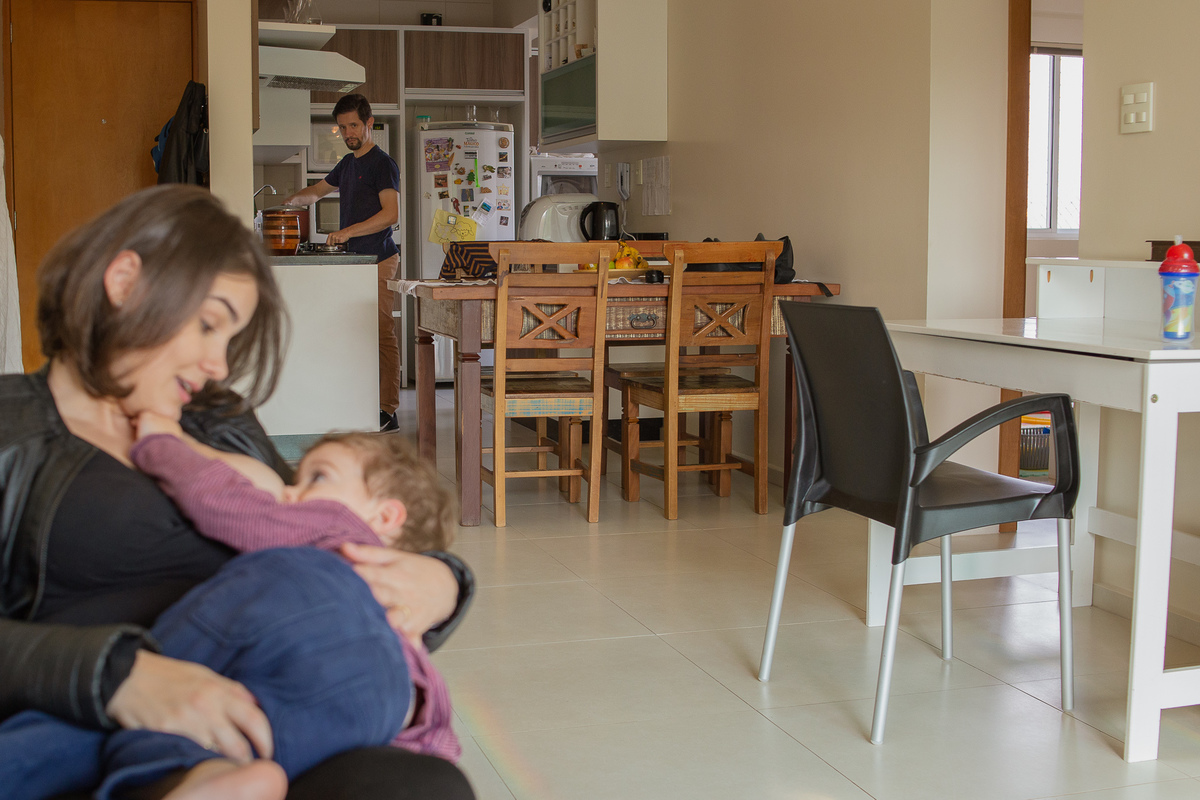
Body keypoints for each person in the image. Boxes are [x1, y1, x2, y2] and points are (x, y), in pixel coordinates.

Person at [0, 185, 476, 800]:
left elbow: (312, 531)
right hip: (97, 720)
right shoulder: (12, 428)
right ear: (124, 282)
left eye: (230, 339)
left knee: (422, 786)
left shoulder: (215, 421)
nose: (220, 366)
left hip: (260, 708)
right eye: (208, 325)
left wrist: (442, 580)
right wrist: (119, 676)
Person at [0, 426, 460, 800]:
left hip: (305, 627)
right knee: (243, 728)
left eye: (316, 477)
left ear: (385, 517)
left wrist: (162, 446)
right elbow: (436, 735)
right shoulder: (397, 600)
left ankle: (191, 772)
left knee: (155, 714)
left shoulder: (334, 530)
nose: (289, 492)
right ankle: (216, 776)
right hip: (390, 710)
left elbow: (227, 501)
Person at [282, 94, 403, 432]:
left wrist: (347, 231)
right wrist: (291, 201)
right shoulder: (347, 165)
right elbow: (316, 192)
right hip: (354, 263)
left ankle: (387, 410)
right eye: (342, 127)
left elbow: (390, 214)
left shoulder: (383, 164)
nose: (348, 132)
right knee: (354, 334)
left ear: (369, 124)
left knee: (380, 333)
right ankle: (360, 402)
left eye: (353, 125)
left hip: (379, 258)